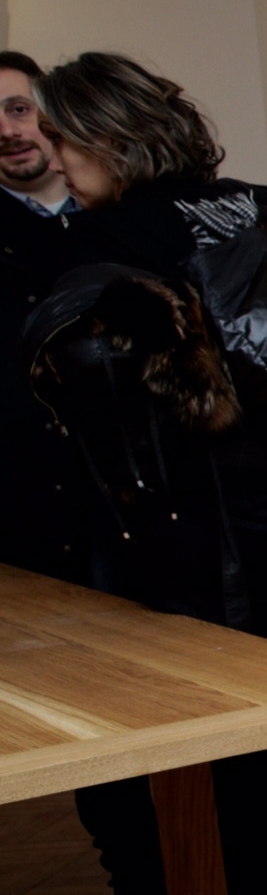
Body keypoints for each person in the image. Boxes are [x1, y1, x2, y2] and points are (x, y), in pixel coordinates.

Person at [33, 52, 267, 895]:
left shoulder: (101, 241)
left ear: (107, 137)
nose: (56, 158)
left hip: (210, 533)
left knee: (225, 744)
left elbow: (97, 417)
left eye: (63, 137)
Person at [0, 51, 86, 583]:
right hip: (21, 506)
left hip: (131, 507)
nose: (6, 131)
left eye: (18, 109)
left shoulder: (121, 216)